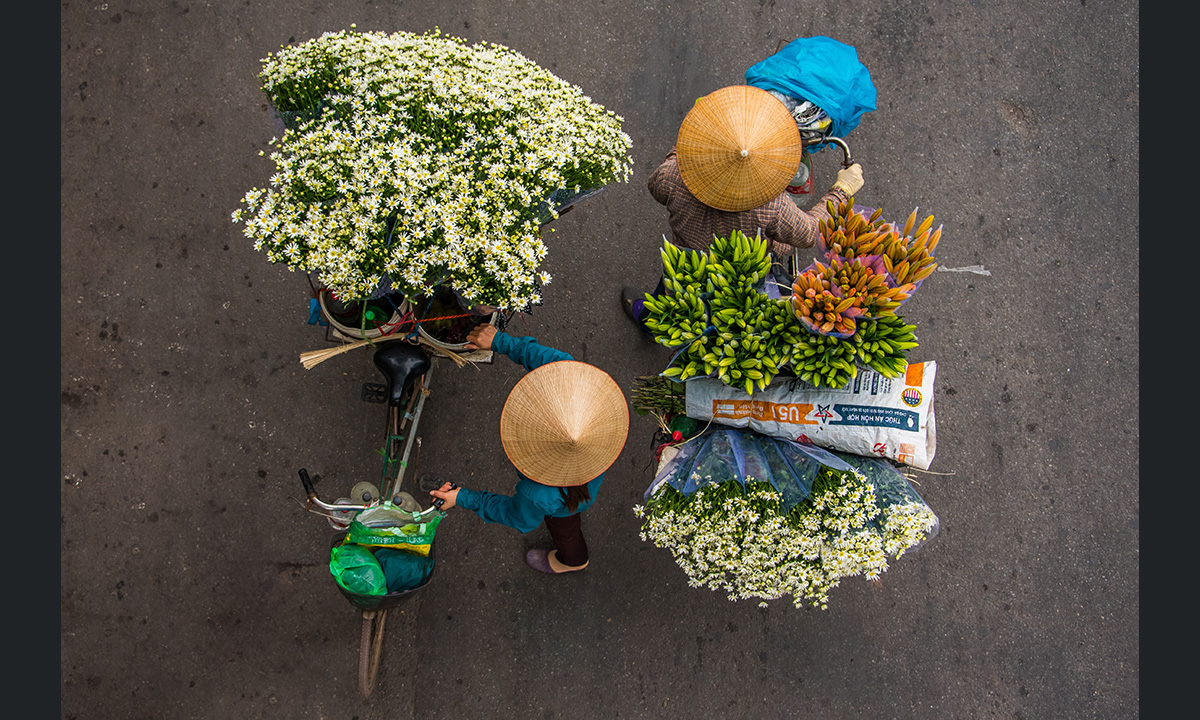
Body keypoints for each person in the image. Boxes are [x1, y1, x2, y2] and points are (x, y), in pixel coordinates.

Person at [621, 84, 865, 328]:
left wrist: (691, 144)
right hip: (740, 273)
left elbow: (656, 188)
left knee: (669, 296)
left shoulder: (672, 175)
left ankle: (649, 321)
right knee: (718, 318)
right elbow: (809, 232)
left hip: (684, 261)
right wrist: (841, 191)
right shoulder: (772, 206)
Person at [428, 323, 629, 574]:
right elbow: (547, 361)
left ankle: (574, 561)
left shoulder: (537, 494)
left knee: (565, 528)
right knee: (570, 511)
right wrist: (499, 341)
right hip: (586, 482)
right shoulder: (585, 397)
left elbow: (517, 516)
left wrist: (462, 497)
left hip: (562, 504)